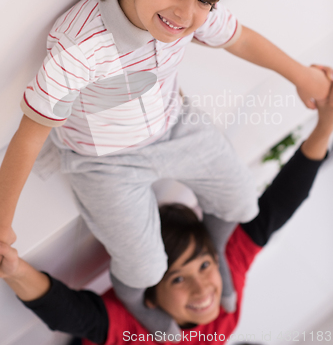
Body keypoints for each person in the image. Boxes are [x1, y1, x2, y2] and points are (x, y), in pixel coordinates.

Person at [0, 0, 330, 331]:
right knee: (144, 268)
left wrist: (300, 76)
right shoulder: (81, 47)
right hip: (105, 160)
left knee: (242, 201)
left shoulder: (189, 18)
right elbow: (29, 136)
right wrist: (3, 224)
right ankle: (141, 300)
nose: (187, 14)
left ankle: (215, 250)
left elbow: (239, 38)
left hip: (174, 126)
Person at [1, 84, 333, 344]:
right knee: (241, 203)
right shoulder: (223, 316)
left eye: (184, 275)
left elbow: (72, 315)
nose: (202, 289)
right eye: (194, 270)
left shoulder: (140, 334)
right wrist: (325, 126)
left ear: (152, 302)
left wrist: (13, 268)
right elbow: (278, 207)